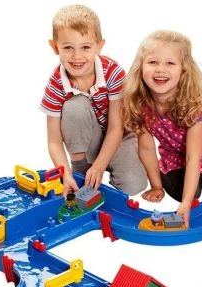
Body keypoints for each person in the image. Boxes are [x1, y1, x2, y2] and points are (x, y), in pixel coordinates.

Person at [123, 30, 202, 226]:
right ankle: (188, 184)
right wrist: (157, 186)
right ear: (140, 67)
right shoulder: (140, 104)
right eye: (153, 62)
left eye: (170, 63)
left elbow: (193, 157)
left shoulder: (192, 105)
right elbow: (146, 148)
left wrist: (186, 205)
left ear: (183, 70)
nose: (160, 69)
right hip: (177, 155)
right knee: (186, 193)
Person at [40, 5, 146, 195]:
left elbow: (116, 128)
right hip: (88, 141)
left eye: (86, 47)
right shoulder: (56, 83)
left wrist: (99, 167)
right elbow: (54, 141)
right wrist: (66, 174)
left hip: (119, 137)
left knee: (134, 185)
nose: (77, 56)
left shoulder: (113, 72)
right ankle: (81, 169)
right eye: (68, 48)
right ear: (55, 47)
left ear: (99, 45)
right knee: (75, 107)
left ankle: (104, 168)